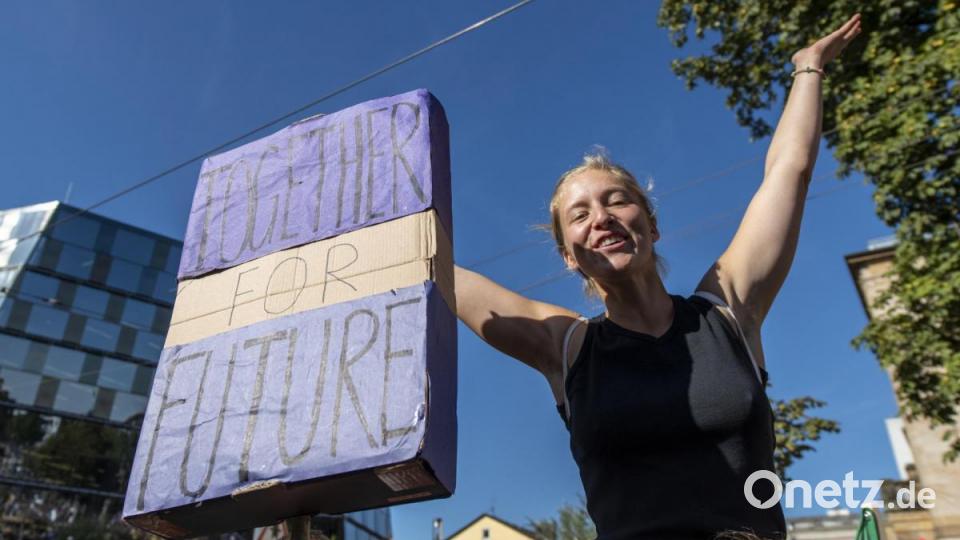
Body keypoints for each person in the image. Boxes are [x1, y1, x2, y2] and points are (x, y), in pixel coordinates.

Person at [453, 13, 862, 540]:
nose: (600, 217)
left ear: (651, 225)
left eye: (617, 201)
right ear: (569, 256)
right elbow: (436, 271)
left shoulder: (727, 310)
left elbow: (789, 172)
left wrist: (808, 70)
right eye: (579, 216)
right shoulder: (569, 348)